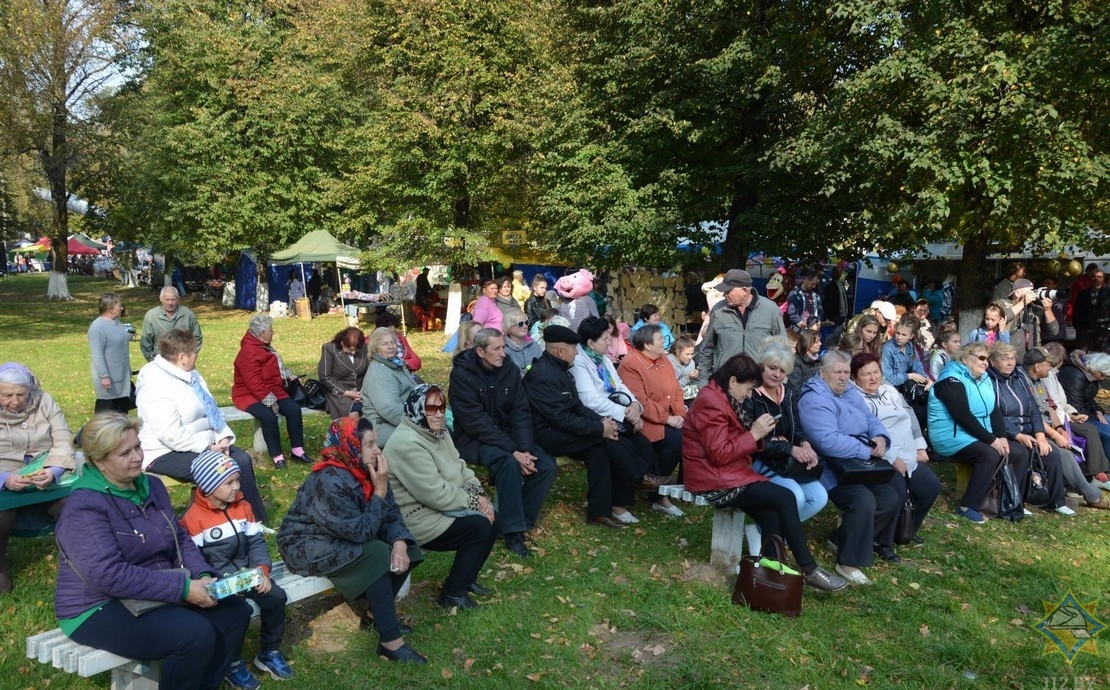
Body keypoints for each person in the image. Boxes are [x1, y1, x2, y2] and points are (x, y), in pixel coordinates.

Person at [55, 413, 252, 690]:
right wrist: (183, 589)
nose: (136, 457)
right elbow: (107, 575)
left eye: (137, 446)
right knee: (193, 634)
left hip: (153, 588)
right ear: (99, 461)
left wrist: (203, 574)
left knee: (235, 613)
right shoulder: (84, 507)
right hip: (96, 606)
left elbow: (180, 537)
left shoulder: (152, 486)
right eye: (125, 453)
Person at [683, 354, 846, 592]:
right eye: (748, 389)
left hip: (729, 472)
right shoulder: (711, 402)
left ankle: (772, 577)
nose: (750, 395)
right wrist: (754, 434)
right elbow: (719, 454)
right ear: (733, 381)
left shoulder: (723, 396)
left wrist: (759, 436)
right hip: (713, 479)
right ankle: (808, 568)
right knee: (785, 497)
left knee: (772, 514)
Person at [278, 417, 425, 664]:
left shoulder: (368, 470)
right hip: (305, 543)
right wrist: (379, 491)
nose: (377, 450)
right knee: (378, 554)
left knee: (409, 550)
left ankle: (373, 613)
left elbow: (391, 514)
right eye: (369, 444)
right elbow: (360, 533)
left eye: (375, 443)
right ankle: (390, 642)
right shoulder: (329, 480)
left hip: (340, 534)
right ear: (350, 446)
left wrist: (400, 542)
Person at [524, 326, 662, 529]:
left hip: (563, 428)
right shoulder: (542, 375)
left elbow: (577, 407)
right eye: (573, 348)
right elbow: (560, 418)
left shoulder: (561, 369)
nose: (577, 352)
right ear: (560, 351)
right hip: (546, 434)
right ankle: (639, 477)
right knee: (603, 440)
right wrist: (599, 429)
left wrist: (603, 423)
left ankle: (599, 512)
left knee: (598, 452)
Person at [181, 452, 293, 686]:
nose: (237, 487)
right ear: (209, 485)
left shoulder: (243, 507)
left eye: (237, 480)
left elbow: (256, 542)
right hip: (220, 582)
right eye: (229, 482)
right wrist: (222, 583)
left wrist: (262, 569)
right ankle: (232, 663)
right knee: (236, 612)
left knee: (276, 597)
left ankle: (269, 652)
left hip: (249, 573)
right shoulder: (193, 520)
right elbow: (196, 560)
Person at [385, 385, 497, 610]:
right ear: (417, 408)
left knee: (493, 517)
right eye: (430, 408)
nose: (438, 413)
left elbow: (460, 467)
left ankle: (466, 579)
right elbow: (435, 493)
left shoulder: (437, 431)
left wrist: (478, 493)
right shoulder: (407, 443)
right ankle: (452, 595)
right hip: (414, 517)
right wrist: (474, 503)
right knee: (479, 527)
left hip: (439, 505)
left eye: (441, 406)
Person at [139, 329, 268, 521]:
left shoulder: (192, 374)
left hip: (204, 443)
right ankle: (229, 520)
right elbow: (169, 434)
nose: (197, 356)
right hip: (163, 451)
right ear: (182, 357)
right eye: (194, 353)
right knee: (222, 467)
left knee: (242, 459)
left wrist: (222, 436)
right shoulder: (155, 384)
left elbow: (212, 408)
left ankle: (252, 517)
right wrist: (208, 448)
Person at [449, 329, 556, 558]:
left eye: (503, 347)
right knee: (507, 463)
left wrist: (524, 449)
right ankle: (512, 533)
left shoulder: (508, 369)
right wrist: (513, 450)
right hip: (474, 439)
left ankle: (521, 521)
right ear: (480, 351)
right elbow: (475, 422)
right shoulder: (462, 375)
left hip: (509, 436)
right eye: (496, 349)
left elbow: (521, 412)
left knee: (545, 464)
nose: (502, 353)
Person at [798, 350, 899, 585]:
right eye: (838, 372)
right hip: (828, 468)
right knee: (863, 500)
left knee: (889, 499)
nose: (843, 377)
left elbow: (870, 419)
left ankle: (840, 540)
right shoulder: (814, 399)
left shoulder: (850, 392)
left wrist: (880, 437)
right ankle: (847, 563)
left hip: (857, 464)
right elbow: (828, 441)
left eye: (846, 372)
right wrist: (867, 449)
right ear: (822, 373)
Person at [569, 317, 665, 524]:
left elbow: (619, 385)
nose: (609, 343)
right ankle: (630, 490)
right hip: (594, 419)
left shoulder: (602, 358)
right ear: (590, 343)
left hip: (617, 413)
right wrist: (624, 413)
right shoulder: (578, 361)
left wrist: (634, 407)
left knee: (643, 444)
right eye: (605, 339)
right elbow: (590, 400)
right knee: (620, 447)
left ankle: (644, 488)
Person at [851, 353, 941, 553]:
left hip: (907, 451)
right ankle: (883, 542)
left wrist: (919, 445)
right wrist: (892, 458)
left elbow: (909, 415)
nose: (873, 378)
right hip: (879, 456)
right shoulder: (854, 398)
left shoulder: (889, 390)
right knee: (897, 492)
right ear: (854, 378)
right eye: (866, 374)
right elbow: (865, 434)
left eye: (876, 372)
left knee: (930, 487)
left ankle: (905, 529)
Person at [0, 362, 75, 593]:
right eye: (7, 395)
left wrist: (54, 471)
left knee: (72, 505)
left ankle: (74, 558)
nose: (15, 401)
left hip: (43, 466)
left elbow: (63, 439)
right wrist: (4, 479)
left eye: (21, 395)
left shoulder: (44, 400)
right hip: (4, 471)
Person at [743, 339, 829, 523]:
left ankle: (768, 532)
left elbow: (796, 427)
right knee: (795, 495)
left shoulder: (787, 392)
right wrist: (790, 449)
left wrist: (805, 444)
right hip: (760, 459)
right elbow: (753, 443)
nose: (777, 374)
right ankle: (769, 534)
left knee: (819, 497)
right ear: (761, 366)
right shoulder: (750, 395)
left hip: (787, 460)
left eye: (782, 370)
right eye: (772, 368)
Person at [985, 343, 1071, 515]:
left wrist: (1040, 435)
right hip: (1005, 432)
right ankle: (1017, 501)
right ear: (993, 362)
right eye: (1004, 359)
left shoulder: (1019, 378)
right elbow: (995, 414)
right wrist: (1018, 436)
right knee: (1021, 453)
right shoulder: (990, 381)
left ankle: (1056, 501)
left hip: (1028, 429)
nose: (1010, 363)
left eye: (1011, 359)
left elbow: (1033, 409)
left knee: (1051, 453)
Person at [927, 343, 1009, 524]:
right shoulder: (950, 380)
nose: (985, 362)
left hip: (973, 433)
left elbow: (993, 409)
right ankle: (968, 506)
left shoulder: (983, 377)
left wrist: (1001, 435)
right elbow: (962, 415)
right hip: (950, 435)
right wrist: (991, 440)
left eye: (987, 358)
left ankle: (1008, 501)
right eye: (981, 358)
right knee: (989, 454)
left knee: (1015, 450)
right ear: (964, 358)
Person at [1021, 348, 1110, 511]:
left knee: (1070, 445)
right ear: (1037, 366)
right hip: (1032, 431)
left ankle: (1075, 489)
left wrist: (1061, 428)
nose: (1053, 368)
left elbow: (1051, 407)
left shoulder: (1040, 380)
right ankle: (1089, 494)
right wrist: (1055, 435)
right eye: (1049, 364)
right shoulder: (1023, 382)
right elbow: (1033, 416)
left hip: (1048, 428)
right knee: (1062, 454)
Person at [618, 324, 688, 517]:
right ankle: (658, 494)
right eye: (661, 339)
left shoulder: (664, 359)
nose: (666, 342)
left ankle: (660, 491)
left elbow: (676, 392)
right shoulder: (631, 364)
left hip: (669, 418)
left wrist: (680, 414)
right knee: (676, 440)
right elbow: (640, 401)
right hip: (643, 420)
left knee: (686, 437)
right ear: (647, 345)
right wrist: (668, 419)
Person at [232, 315, 311, 469]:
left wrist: (288, 375)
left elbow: (274, 368)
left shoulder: (262, 345)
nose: (273, 333)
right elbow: (253, 382)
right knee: (269, 417)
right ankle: (277, 457)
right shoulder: (248, 352)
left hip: (272, 389)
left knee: (294, 410)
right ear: (262, 333)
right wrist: (271, 401)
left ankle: (297, 450)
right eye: (271, 330)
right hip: (247, 394)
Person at [696, 269, 785, 383]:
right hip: (726, 383)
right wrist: (703, 381)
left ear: (744, 290)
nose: (724, 294)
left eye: (728, 291)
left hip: (760, 383)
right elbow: (707, 348)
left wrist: (781, 381)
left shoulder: (771, 310)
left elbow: (783, 348)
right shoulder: (718, 310)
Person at [361, 326, 418, 448]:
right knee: (421, 441)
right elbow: (390, 410)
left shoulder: (396, 363)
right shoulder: (378, 373)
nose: (391, 346)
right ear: (375, 348)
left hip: (404, 418)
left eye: (392, 342)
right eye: (385, 344)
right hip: (383, 425)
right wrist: (418, 423)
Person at [1056, 351, 1110, 461]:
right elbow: (1076, 405)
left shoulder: (1090, 375)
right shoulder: (1075, 375)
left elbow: (1088, 398)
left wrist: (1098, 411)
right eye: (1102, 374)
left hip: (1085, 412)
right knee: (1108, 432)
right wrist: (1096, 418)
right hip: (1074, 416)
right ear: (1095, 368)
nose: (1102, 378)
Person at [88, 292, 133, 413]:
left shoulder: (116, 322)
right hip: (108, 379)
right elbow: (97, 353)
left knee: (122, 411)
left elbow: (122, 337)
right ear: (110, 307)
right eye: (119, 305)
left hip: (121, 375)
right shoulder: (97, 327)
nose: (121, 308)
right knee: (107, 412)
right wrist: (104, 376)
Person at [140, 286, 202, 362]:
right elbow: (145, 342)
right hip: (160, 362)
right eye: (167, 300)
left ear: (178, 299)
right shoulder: (151, 316)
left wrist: (190, 356)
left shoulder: (187, 314)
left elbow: (197, 337)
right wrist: (153, 361)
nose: (170, 303)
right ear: (161, 299)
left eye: (173, 300)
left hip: (183, 362)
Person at [318, 326, 369, 419]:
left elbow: (370, 373)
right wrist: (346, 392)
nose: (353, 353)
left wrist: (363, 391)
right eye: (350, 349)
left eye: (356, 350)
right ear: (342, 342)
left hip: (362, 391)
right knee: (353, 415)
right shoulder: (329, 348)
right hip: (338, 392)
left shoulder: (365, 348)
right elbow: (325, 377)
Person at [1072, 268, 1109, 349]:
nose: (1096, 279)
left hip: (1102, 329)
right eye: (1093, 276)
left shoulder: (1108, 293)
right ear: (1090, 278)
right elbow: (1077, 311)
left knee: (1102, 355)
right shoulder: (1083, 293)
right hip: (1085, 329)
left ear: (1103, 278)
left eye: (1099, 277)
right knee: (1082, 354)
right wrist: (1078, 328)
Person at [785, 268, 823, 332]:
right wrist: (799, 322)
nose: (814, 287)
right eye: (813, 284)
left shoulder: (816, 296)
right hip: (798, 330)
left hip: (812, 331)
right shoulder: (794, 294)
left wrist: (818, 322)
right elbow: (791, 311)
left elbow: (820, 311)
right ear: (806, 279)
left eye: (816, 285)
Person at [787, 329, 821, 397]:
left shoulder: (819, 361)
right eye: (817, 342)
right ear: (808, 343)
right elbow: (795, 389)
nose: (820, 343)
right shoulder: (796, 362)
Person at [667, 335, 701, 402]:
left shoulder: (691, 363)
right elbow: (671, 386)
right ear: (678, 352)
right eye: (687, 354)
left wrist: (697, 376)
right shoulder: (668, 363)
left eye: (692, 354)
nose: (690, 357)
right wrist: (687, 377)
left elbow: (693, 383)